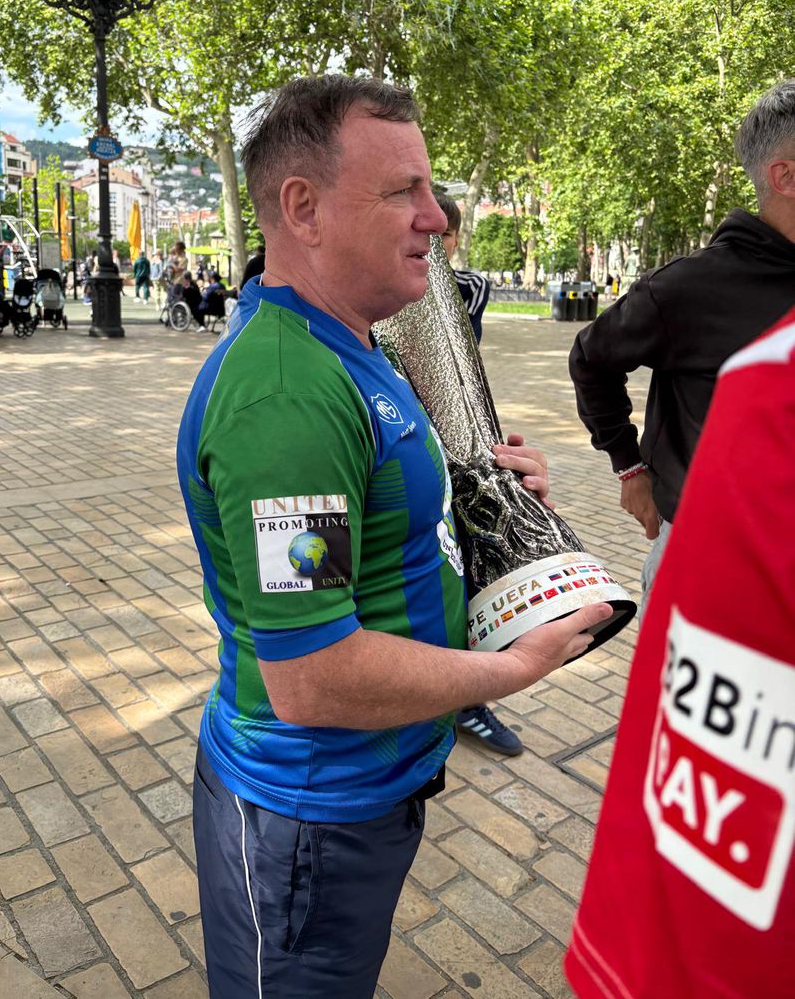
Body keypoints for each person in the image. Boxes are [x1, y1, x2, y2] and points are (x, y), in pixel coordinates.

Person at [177, 74, 611, 999]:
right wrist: (515, 669)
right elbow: (314, 676)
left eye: (430, 186)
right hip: (305, 824)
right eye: (402, 190)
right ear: (304, 208)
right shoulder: (289, 394)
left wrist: (487, 498)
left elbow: (376, 525)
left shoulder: (358, 342)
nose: (439, 216)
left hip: (369, 793)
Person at [564, 306, 795, 999]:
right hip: (701, 542)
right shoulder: (767, 385)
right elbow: (592, 355)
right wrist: (629, 467)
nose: (428, 217)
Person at [569, 79, 795, 608]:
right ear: (785, 176)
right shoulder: (689, 288)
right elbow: (591, 358)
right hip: (713, 571)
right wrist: (629, 468)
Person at [434, 192, 523, 756]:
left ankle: (467, 696)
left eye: (443, 236)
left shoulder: (468, 287)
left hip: (456, 438)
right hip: (397, 434)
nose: (432, 245)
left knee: (463, 556)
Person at [435, 194, 490, 342]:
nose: (436, 242)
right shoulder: (397, 285)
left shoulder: (472, 286)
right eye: (430, 233)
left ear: (456, 241)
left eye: (445, 234)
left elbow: (465, 345)